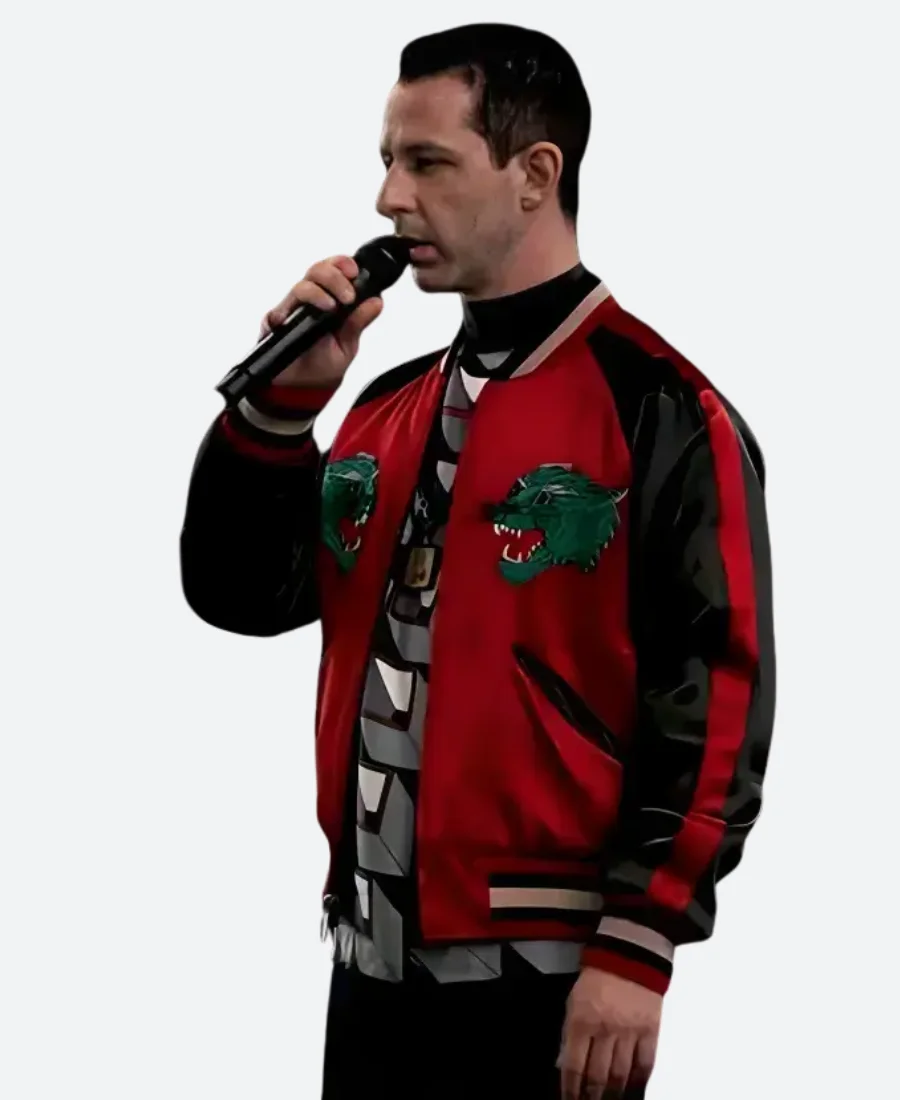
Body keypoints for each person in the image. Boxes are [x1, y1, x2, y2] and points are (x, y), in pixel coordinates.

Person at [179, 21, 775, 1100]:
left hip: (550, 979)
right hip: (370, 962)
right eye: (386, 161)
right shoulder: (383, 408)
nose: (388, 199)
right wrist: (280, 412)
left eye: (429, 162)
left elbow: (717, 690)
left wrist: (641, 938)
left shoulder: (663, 409)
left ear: (535, 173)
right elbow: (243, 593)